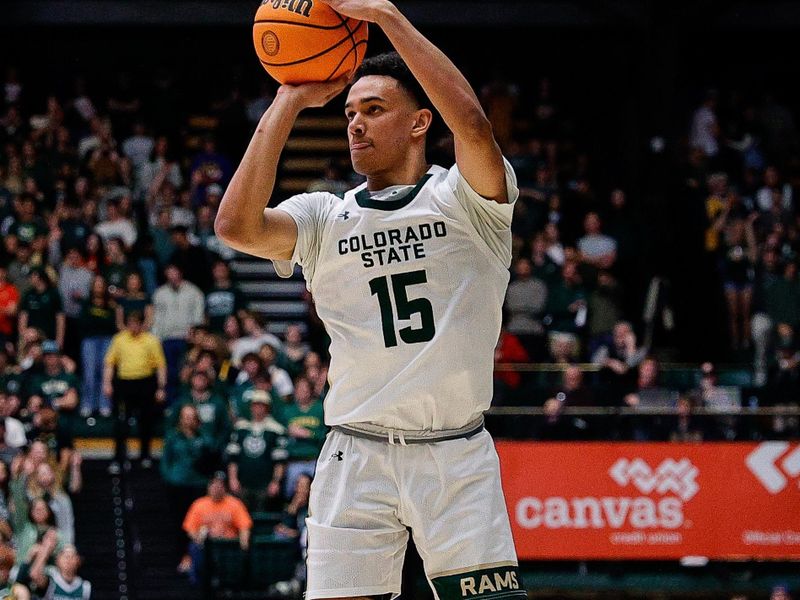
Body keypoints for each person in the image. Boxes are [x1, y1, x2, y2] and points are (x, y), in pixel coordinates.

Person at [215, 1, 525, 597]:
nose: (355, 123)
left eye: (375, 110)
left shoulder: (468, 202)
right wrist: (289, 100)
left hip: (455, 452)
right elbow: (235, 226)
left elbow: (476, 128)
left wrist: (385, 16)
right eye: (351, 112)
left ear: (420, 123)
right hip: (356, 453)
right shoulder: (325, 215)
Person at [103, 310, 167, 473]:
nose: (133, 326)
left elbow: (160, 365)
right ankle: (119, 458)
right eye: (130, 323)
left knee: (145, 421)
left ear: (141, 324)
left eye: (136, 323)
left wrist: (161, 387)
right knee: (121, 422)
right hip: (124, 383)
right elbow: (110, 363)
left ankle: (145, 455)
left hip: (145, 382)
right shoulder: (119, 339)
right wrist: (107, 383)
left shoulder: (151, 340)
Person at [182, 471, 252, 585]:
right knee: (195, 548)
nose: (217, 488)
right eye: (213, 484)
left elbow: (244, 526)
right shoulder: (199, 504)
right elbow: (190, 529)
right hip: (207, 545)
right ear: (209, 487)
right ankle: (200, 584)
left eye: (220, 485)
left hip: (228, 545)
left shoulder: (234, 503)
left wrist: (244, 543)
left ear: (225, 488)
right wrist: (198, 538)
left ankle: (232, 584)